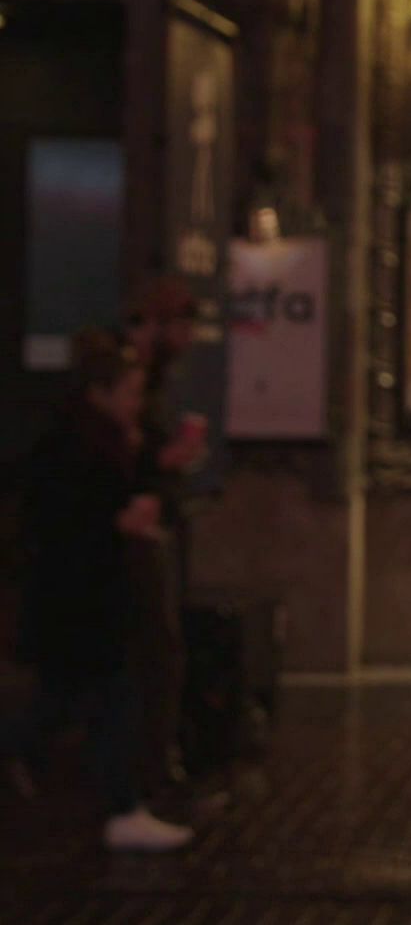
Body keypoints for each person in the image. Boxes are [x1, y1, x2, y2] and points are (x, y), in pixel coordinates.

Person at [2, 330, 195, 852]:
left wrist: (147, 487)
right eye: (128, 392)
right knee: (103, 700)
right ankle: (123, 810)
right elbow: (63, 517)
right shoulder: (72, 445)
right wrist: (119, 520)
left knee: (70, 702)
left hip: (90, 596)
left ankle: (122, 807)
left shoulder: (109, 439)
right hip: (76, 597)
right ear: (99, 392)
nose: (136, 403)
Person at [123, 276, 205, 793]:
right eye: (183, 326)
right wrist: (164, 460)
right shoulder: (136, 378)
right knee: (157, 648)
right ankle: (150, 766)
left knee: (163, 647)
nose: (190, 338)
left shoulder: (159, 379)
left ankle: (156, 758)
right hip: (141, 524)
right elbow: (127, 453)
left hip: (161, 515)